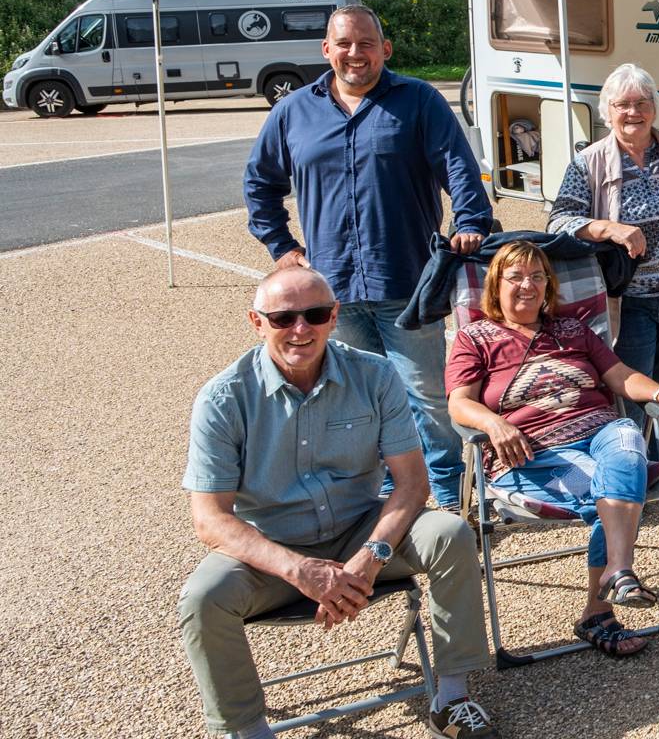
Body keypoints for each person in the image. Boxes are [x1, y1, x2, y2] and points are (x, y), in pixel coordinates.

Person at [179, 267, 499, 739]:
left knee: (451, 534)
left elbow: (412, 482)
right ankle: (245, 730)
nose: (300, 329)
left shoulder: (374, 374)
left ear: (335, 316)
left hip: (361, 528)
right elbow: (209, 519)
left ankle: (452, 698)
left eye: (315, 314)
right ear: (257, 322)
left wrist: (373, 556)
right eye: (284, 317)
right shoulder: (224, 398)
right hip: (271, 550)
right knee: (203, 598)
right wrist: (299, 570)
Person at [244, 4, 493, 511]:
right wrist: (283, 248)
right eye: (344, 44)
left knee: (425, 395)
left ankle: (448, 491)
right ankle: (386, 490)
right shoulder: (294, 112)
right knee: (357, 398)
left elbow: (459, 166)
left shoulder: (417, 100)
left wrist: (469, 222)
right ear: (326, 50)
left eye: (365, 44)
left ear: (385, 49)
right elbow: (260, 183)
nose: (355, 54)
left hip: (406, 280)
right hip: (330, 291)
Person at [446, 241, 659, 658]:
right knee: (612, 489)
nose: (529, 285)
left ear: (549, 285)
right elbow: (459, 402)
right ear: (495, 285)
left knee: (628, 437)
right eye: (516, 277)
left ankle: (617, 570)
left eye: (538, 276)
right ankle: (600, 613)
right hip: (535, 451)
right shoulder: (476, 338)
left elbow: (619, 376)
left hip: (600, 432)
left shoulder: (572, 328)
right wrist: (493, 422)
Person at [548, 63, 659, 507]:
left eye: (642, 103)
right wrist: (609, 228)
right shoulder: (589, 161)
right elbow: (560, 223)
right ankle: (626, 481)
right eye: (623, 104)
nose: (633, 112)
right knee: (628, 394)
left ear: (654, 109)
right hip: (628, 300)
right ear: (607, 110)